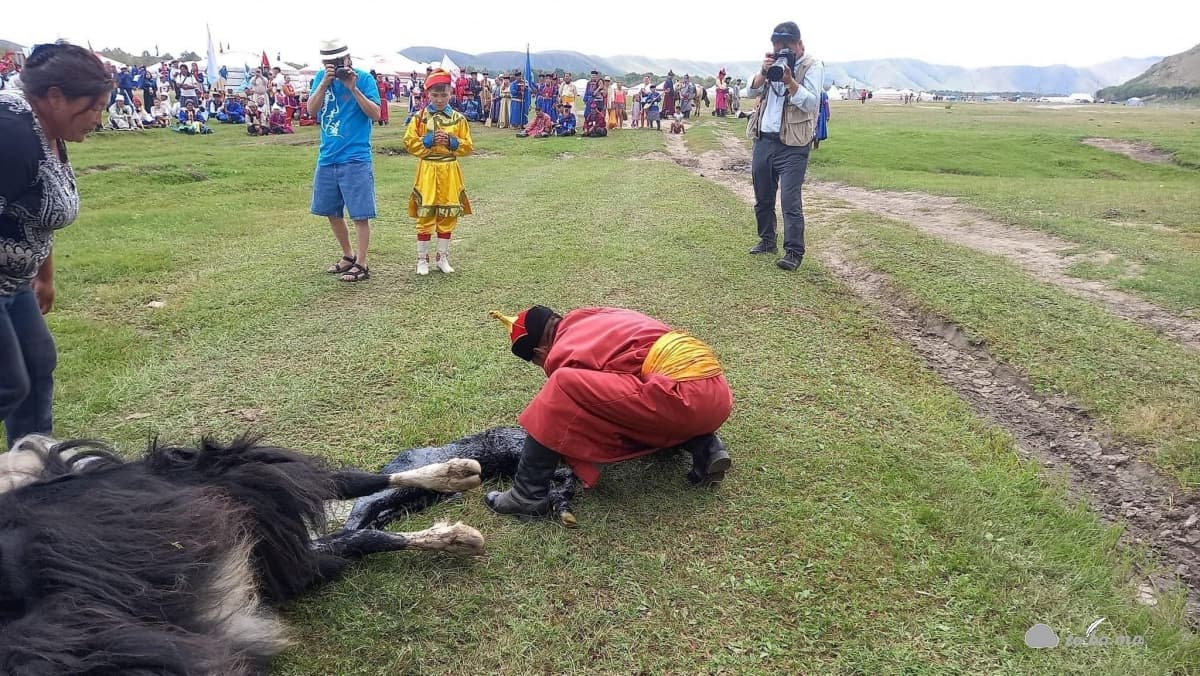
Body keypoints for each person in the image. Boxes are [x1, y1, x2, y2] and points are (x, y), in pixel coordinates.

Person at [484, 306, 734, 521]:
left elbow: (578, 412)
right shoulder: (595, 318)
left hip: (683, 398)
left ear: (539, 353)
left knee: (561, 385)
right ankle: (705, 443)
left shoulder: (565, 351)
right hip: (715, 391)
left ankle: (527, 495)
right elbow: (620, 402)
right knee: (629, 399)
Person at [0, 42, 110, 448]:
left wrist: (44, 275)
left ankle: (31, 470)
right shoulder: (11, 134)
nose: (99, 119)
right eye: (94, 107)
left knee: (36, 362)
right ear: (54, 96)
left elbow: (36, 214)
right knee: (7, 384)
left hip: (14, 282)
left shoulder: (47, 129)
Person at [745, 21, 824, 271]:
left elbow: (811, 104)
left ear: (799, 44)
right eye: (777, 46)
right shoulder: (771, 63)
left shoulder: (812, 66)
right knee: (763, 197)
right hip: (764, 140)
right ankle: (767, 240)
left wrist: (790, 82)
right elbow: (749, 91)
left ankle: (793, 252)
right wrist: (763, 71)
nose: (782, 50)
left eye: (787, 46)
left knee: (790, 201)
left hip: (794, 145)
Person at [308, 39, 381, 283]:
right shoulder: (320, 78)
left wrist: (353, 88)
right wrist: (325, 83)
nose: (334, 67)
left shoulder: (364, 79)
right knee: (331, 211)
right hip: (328, 156)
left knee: (360, 214)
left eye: (338, 62)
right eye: (329, 63)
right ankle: (348, 256)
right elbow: (311, 110)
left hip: (355, 157)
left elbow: (375, 113)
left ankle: (362, 263)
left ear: (348, 59)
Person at [402, 69, 472, 276]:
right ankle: (421, 260)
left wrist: (452, 142)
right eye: (435, 95)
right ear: (428, 95)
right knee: (426, 214)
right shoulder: (420, 118)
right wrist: (427, 141)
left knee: (448, 213)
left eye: (444, 95)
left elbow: (468, 146)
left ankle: (442, 258)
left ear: (451, 93)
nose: (440, 99)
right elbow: (409, 142)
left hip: (449, 170)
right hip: (428, 170)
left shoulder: (458, 119)